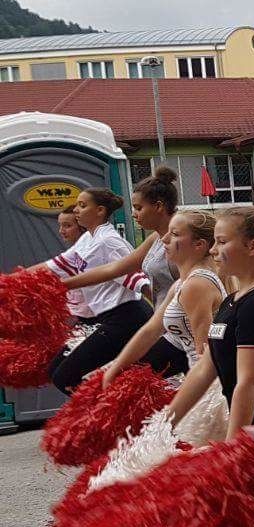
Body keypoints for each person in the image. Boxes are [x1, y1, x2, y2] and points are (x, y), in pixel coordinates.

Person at [166, 205, 254, 441]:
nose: (213, 250)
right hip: (253, 433)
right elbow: (204, 369)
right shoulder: (232, 301)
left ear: (253, 247)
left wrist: (232, 448)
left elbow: (248, 383)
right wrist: (163, 424)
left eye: (222, 242)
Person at [30, 189, 162, 392]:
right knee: (57, 371)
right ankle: (109, 407)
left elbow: (137, 278)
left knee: (65, 377)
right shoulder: (87, 239)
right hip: (107, 319)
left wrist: (164, 312)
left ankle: (110, 408)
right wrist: (12, 281)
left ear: (100, 211)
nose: (76, 210)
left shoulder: (108, 240)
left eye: (82, 205)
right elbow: (54, 266)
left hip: (127, 318)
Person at [98, 211, 225, 385]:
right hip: (198, 376)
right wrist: (114, 368)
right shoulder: (181, 284)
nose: (164, 239)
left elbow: (205, 353)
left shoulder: (197, 285)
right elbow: (150, 331)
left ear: (199, 245)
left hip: (209, 382)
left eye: (175, 234)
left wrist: (192, 396)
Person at [61, 166, 183, 311]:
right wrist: (61, 285)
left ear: (158, 206)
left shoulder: (183, 238)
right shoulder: (156, 237)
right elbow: (114, 269)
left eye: (138, 208)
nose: (133, 214)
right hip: (165, 317)